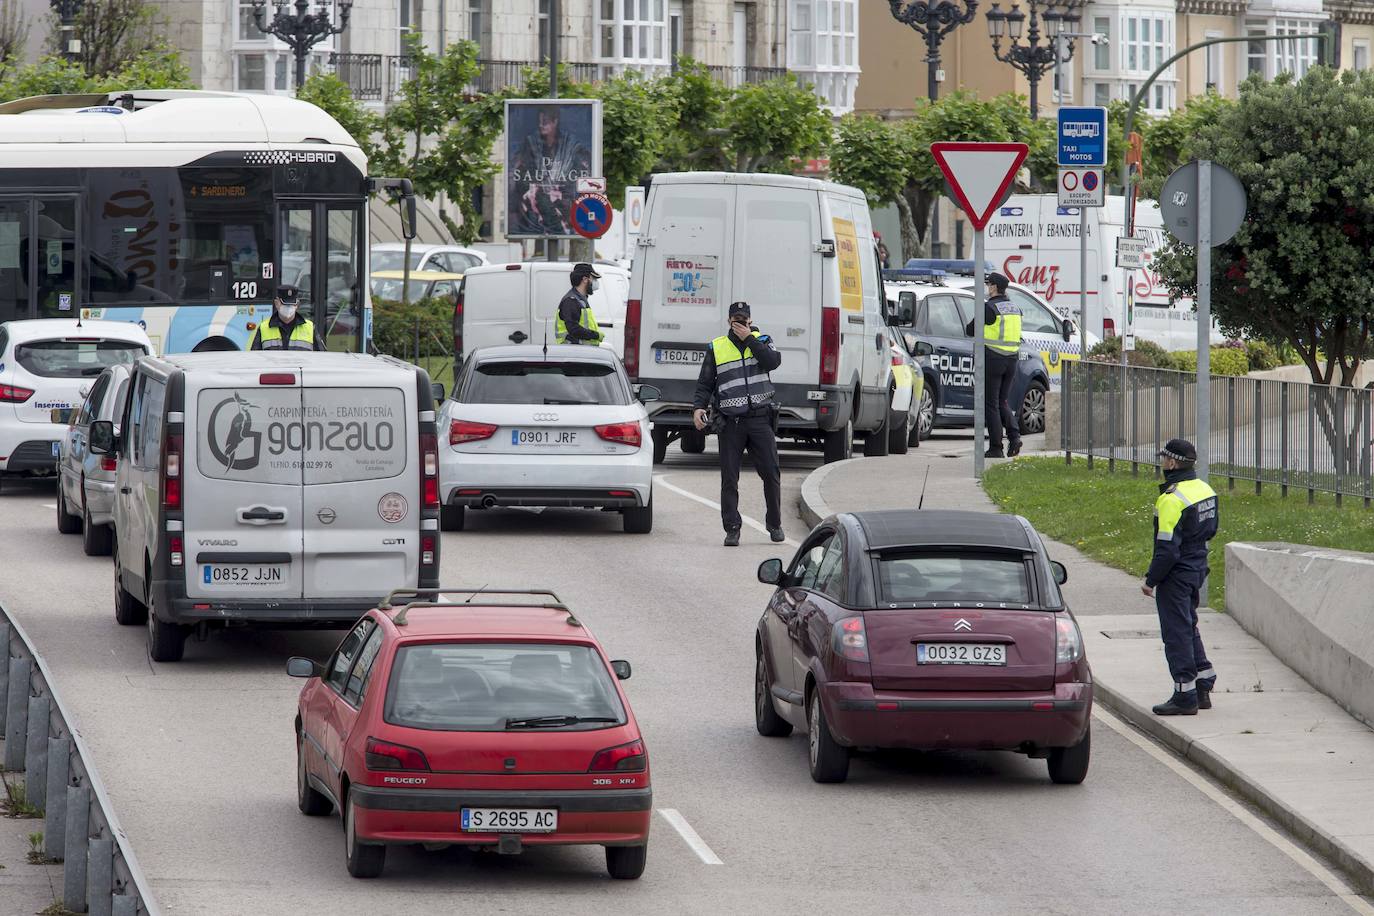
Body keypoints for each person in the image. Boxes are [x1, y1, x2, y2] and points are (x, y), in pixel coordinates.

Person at [692, 302, 784, 547]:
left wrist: (750, 339)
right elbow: (705, 383)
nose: (740, 323)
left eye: (744, 319)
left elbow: (773, 362)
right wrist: (698, 407)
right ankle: (732, 528)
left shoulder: (762, 340)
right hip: (731, 423)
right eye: (736, 319)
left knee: (771, 474)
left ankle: (774, 524)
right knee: (729, 479)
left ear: (751, 320)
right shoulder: (717, 347)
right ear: (729, 321)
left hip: (759, 420)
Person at [1141, 439, 1220, 716]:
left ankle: (1184, 695)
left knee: (1176, 633)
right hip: (1198, 565)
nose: (1162, 463)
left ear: (1172, 463)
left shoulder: (1171, 499)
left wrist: (1151, 580)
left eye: (1164, 459)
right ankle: (1202, 684)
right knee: (1189, 625)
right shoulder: (1205, 489)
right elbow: (1212, 529)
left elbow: (1166, 550)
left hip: (1177, 572)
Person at [968, 271, 1022, 458]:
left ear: (993, 287)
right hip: (1012, 361)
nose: (987, 288)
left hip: (993, 359)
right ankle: (1014, 437)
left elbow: (970, 329)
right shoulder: (1015, 308)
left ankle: (996, 448)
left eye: (988, 285)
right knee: (1002, 401)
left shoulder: (989, 308)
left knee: (991, 404)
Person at [249, 285, 324, 351]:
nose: (288, 308)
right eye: (285, 304)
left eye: (291, 304)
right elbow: (255, 359)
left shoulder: (310, 328)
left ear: (297, 304)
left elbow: (322, 357)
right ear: (276, 303)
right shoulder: (264, 328)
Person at [556, 263, 604, 345]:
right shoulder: (571, 301)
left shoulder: (580, 299)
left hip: (581, 350)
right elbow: (574, 329)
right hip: (574, 351)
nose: (595, 282)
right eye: (593, 279)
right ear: (585, 279)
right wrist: (596, 335)